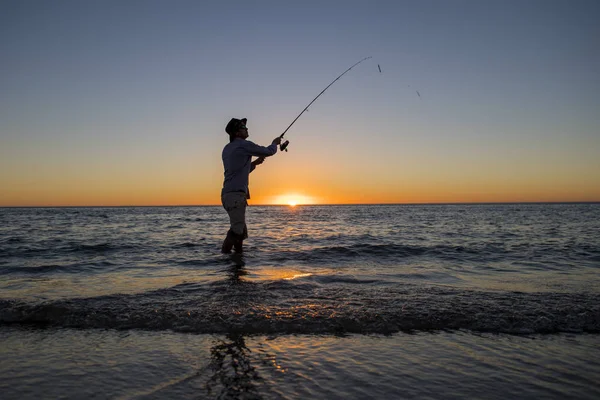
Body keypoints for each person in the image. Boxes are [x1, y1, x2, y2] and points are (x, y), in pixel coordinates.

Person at [221, 118, 282, 253]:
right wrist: (275, 143)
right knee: (237, 232)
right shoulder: (243, 145)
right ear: (237, 132)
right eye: (243, 127)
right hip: (236, 195)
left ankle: (237, 264)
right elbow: (268, 151)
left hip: (229, 194)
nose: (247, 129)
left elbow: (239, 170)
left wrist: (255, 164)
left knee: (240, 232)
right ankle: (224, 259)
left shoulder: (228, 148)